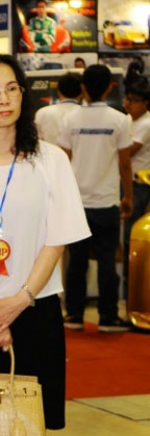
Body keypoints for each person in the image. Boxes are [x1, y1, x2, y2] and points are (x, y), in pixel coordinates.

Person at [0, 55, 90, 430]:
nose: (4, 98)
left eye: (12, 88)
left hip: (35, 310)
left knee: (31, 422)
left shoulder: (51, 159)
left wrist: (19, 301)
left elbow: (56, 241)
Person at [57, 64, 132, 332]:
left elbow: (64, 161)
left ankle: (74, 314)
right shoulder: (120, 120)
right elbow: (125, 163)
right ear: (110, 87)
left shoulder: (70, 120)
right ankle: (108, 316)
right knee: (107, 260)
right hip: (107, 201)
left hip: (77, 202)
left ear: (83, 88)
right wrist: (128, 196)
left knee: (76, 261)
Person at [121, 76, 150, 300]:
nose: (127, 104)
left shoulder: (146, 123)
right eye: (127, 98)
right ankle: (129, 292)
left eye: (133, 100)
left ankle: (134, 294)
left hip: (139, 186)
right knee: (126, 239)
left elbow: (128, 152)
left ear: (145, 103)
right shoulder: (128, 120)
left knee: (132, 239)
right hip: (127, 183)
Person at [34, 71, 83, 145]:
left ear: (59, 92)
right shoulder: (86, 114)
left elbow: (37, 142)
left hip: (50, 152)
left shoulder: (42, 113)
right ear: (82, 92)